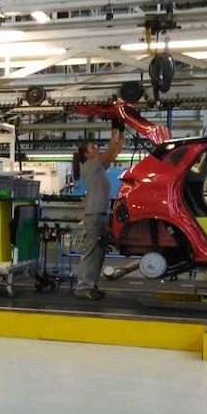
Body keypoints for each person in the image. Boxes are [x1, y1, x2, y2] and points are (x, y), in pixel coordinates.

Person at [72, 119, 125, 300]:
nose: (96, 148)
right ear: (86, 154)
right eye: (93, 147)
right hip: (94, 214)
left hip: (100, 213)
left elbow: (115, 151)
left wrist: (121, 133)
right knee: (91, 251)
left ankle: (90, 284)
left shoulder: (98, 168)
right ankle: (82, 287)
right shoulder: (90, 165)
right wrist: (115, 129)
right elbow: (111, 149)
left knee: (99, 252)